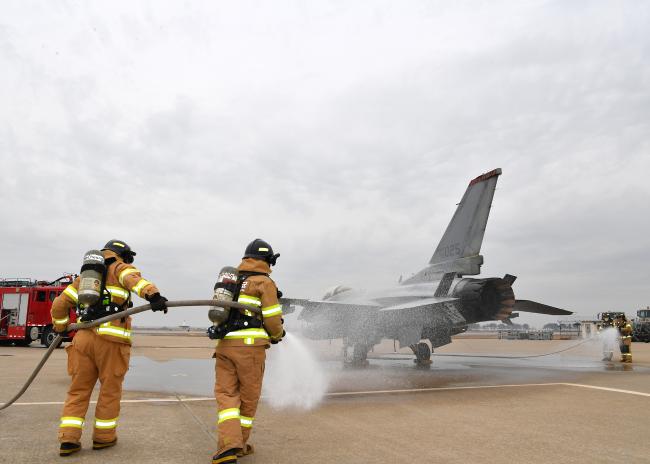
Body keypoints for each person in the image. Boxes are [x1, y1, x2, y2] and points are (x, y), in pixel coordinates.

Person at [50, 240, 168, 457]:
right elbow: (135, 281)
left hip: (82, 340)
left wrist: (61, 327)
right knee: (109, 391)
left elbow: (59, 305)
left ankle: (68, 439)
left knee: (78, 391)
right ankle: (104, 438)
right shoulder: (119, 267)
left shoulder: (84, 280)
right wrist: (154, 296)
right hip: (111, 342)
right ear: (122, 254)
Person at [212, 239, 285, 464]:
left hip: (225, 347)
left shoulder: (231, 281)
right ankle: (237, 445)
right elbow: (272, 318)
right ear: (267, 260)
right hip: (250, 348)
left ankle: (228, 446)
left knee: (226, 397)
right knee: (248, 398)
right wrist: (277, 335)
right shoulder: (263, 282)